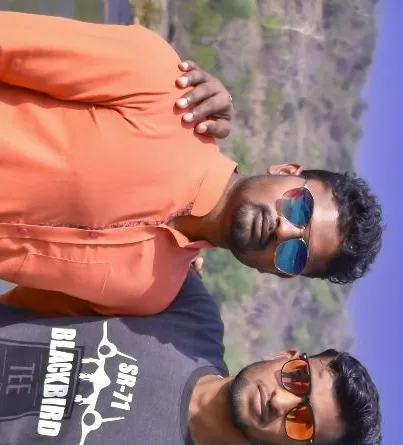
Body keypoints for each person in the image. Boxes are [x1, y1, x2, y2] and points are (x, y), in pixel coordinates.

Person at [0, 12, 383, 319]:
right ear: (285, 170)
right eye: (301, 207)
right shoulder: (162, 88)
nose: (284, 229)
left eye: (295, 254)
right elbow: (9, 43)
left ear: (277, 273)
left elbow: (17, 323)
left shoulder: (147, 295)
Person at [0, 271, 381, 445]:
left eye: (302, 421)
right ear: (285, 354)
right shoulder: (189, 314)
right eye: (298, 378)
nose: (282, 401)